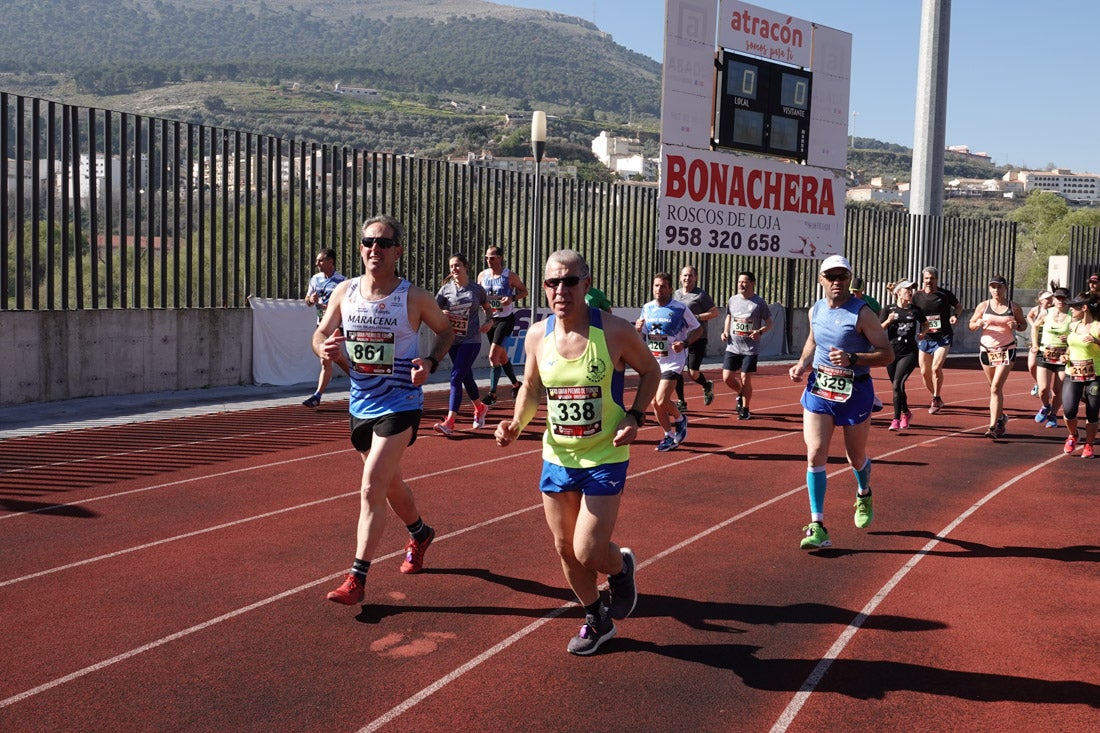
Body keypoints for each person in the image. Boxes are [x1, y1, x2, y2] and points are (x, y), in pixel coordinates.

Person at [494, 250, 659, 656]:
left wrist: (636, 416)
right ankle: (596, 617)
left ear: (587, 284)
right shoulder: (536, 335)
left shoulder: (616, 332)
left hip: (605, 455)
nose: (561, 290)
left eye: (569, 281)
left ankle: (619, 567)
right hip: (558, 455)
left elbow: (651, 370)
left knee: (588, 549)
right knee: (564, 548)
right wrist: (516, 423)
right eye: (552, 282)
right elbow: (532, 388)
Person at [314, 215, 455, 607]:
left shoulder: (414, 297)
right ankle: (421, 532)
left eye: (383, 243)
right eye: (367, 242)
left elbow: (446, 331)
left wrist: (429, 361)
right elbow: (321, 332)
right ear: (360, 248)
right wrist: (322, 349)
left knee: (371, 485)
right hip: (361, 403)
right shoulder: (344, 291)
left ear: (397, 251)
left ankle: (357, 577)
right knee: (391, 485)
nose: (374, 249)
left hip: (401, 403)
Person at [788, 255, 893, 550]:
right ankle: (818, 525)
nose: (837, 282)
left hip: (855, 390)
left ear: (849, 279)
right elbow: (813, 340)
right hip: (820, 388)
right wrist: (801, 364)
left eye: (842, 277)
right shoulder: (816, 310)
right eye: (831, 277)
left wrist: (854, 359)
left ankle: (863, 491)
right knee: (815, 452)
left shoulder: (862, 314)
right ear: (821, 279)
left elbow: (887, 354)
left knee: (855, 457)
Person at [637, 272, 701, 451]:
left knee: (661, 399)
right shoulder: (647, 308)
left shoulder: (680, 308)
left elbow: (698, 329)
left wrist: (685, 343)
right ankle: (668, 435)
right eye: (656, 285)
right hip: (654, 361)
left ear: (670, 289)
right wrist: (637, 329)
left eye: (663, 286)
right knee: (655, 403)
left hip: (673, 360)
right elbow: (642, 335)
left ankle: (680, 419)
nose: (659, 289)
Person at [432, 253, 493, 437]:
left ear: (466, 267)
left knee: (455, 377)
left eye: (457, 265)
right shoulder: (445, 290)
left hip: (471, 340)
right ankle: (480, 407)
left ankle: (450, 422)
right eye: (451, 266)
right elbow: (433, 310)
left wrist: (489, 321)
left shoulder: (476, 289)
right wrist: (442, 312)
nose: (454, 269)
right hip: (452, 340)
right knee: (466, 377)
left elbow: (488, 308)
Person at [968, 276, 1026, 438]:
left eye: (999, 287)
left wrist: (1017, 326)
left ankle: (992, 427)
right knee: (994, 388)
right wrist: (977, 324)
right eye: (993, 287)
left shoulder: (1013, 307)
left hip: (1006, 349)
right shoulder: (983, 306)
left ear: (1005, 288)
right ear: (989, 289)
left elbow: (1023, 325)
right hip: (986, 350)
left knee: (995, 388)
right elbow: (971, 325)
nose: (996, 290)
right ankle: (1001, 418)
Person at [477, 246, 528, 406]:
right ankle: (516, 384)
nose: (489, 261)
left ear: (500, 258)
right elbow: (479, 294)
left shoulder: (509, 276)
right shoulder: (482, 276)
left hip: (505, 319)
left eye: (492, 257)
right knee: (502, 356)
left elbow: (524, 291)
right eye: (486, 258)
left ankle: (492, 394)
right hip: (490, 320)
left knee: (493, 356)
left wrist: (512, 297)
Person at [720, 270, 773, 420]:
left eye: (744, 282)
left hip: (750, 348)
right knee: (727, 377)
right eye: (739, 282)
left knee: (745, 378)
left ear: (752, 283)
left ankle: (745, 408)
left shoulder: (759, 303)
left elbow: (769, 323)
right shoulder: (733, 300)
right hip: (733, 346)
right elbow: (729, 316)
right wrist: (725, 331)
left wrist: (760, 332)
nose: (740, 285)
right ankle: (740, 392)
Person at [912, 266, 962, 414]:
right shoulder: (917, 296)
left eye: (932, 278)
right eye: (926, 278)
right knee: (924, 372)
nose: (929, 281)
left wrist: (955, 315)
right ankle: (936, 396)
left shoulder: (944, 294)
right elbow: (909, 309)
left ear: (936, 279)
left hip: (943, 336)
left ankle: (936, 397)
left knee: (935, 368)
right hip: (926, 337)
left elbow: (958, 306)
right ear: (923, 280)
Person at [302, 248, 349, 407]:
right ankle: (359, 379)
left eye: (320, 260)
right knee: (330, 358)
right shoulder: (315, 279)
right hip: (321, 325)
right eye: (317, 261)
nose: (317, 264)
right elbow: (307, 301)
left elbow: (348, 304)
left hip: (337, 325)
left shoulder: (343, 282)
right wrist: (311, 299)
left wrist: (333, 307)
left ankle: (317, 396)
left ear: (331, 261)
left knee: (326, 359)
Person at [880, 278, 925, 431]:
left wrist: (923, 333)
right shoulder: (888, 309)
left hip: (909, 352)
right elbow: (879, 329)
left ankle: (895, 419)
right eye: (907, 290)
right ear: (898, 292)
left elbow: (926, 323)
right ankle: (906, 413)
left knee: (897, 384)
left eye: (911, 289)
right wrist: (888, 321)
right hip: (892, 352)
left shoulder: (915, 310)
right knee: (897, 387)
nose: (910, 292)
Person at [672, 266, 719, 412]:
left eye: (690, 276)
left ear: (695, 278)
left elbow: (714, 312)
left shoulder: (701, 295)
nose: (687, 278)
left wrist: (696, 317)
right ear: (680, 277)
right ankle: (681, 401)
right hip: (679, 338)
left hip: (697, 337)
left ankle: (706, 386)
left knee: (693, 373)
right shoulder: (675, 294)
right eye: (685, 276)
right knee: (677, 370)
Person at [1060, 293, 1100, 458]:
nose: (1070, 309)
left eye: (1074, 307)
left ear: (1084, 308)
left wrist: (1097, 342)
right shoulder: (1073, 326)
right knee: (1069, 410)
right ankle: (1073, 434)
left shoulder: (1098, 327)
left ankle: (1089, 444)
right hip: (1073, 372)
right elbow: (1071, 346)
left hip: (1095, 375)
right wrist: (1066, 355)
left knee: (1092, 412)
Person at [1031, 286, 1072, 429]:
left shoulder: (1072, 315)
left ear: (1068, 299)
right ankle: (1045, 406)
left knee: (1058, 389)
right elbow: (1035, 326)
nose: (1061, 301)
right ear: (1053, 299)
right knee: (1043, 389)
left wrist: (1068, 338)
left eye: (1064, 298)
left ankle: (1053, 415)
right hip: (1045, 353)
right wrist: (1035, 344)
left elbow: (1077, 333)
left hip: (1063, 356)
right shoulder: (1046, 312)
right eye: (1058, 298)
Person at [1025, 290, 1054, 397]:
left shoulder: (1054, 310)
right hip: (1036, 341)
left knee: (1049, 368)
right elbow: (1029, 316)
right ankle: (1038, 383)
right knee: (1032, 366)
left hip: (1049, 343)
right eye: (1047, 298)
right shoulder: (1036, 309)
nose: (1050, 300)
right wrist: (1033, 325)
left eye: (1051, 298)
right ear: (1041, 300)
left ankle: (1046, 387)